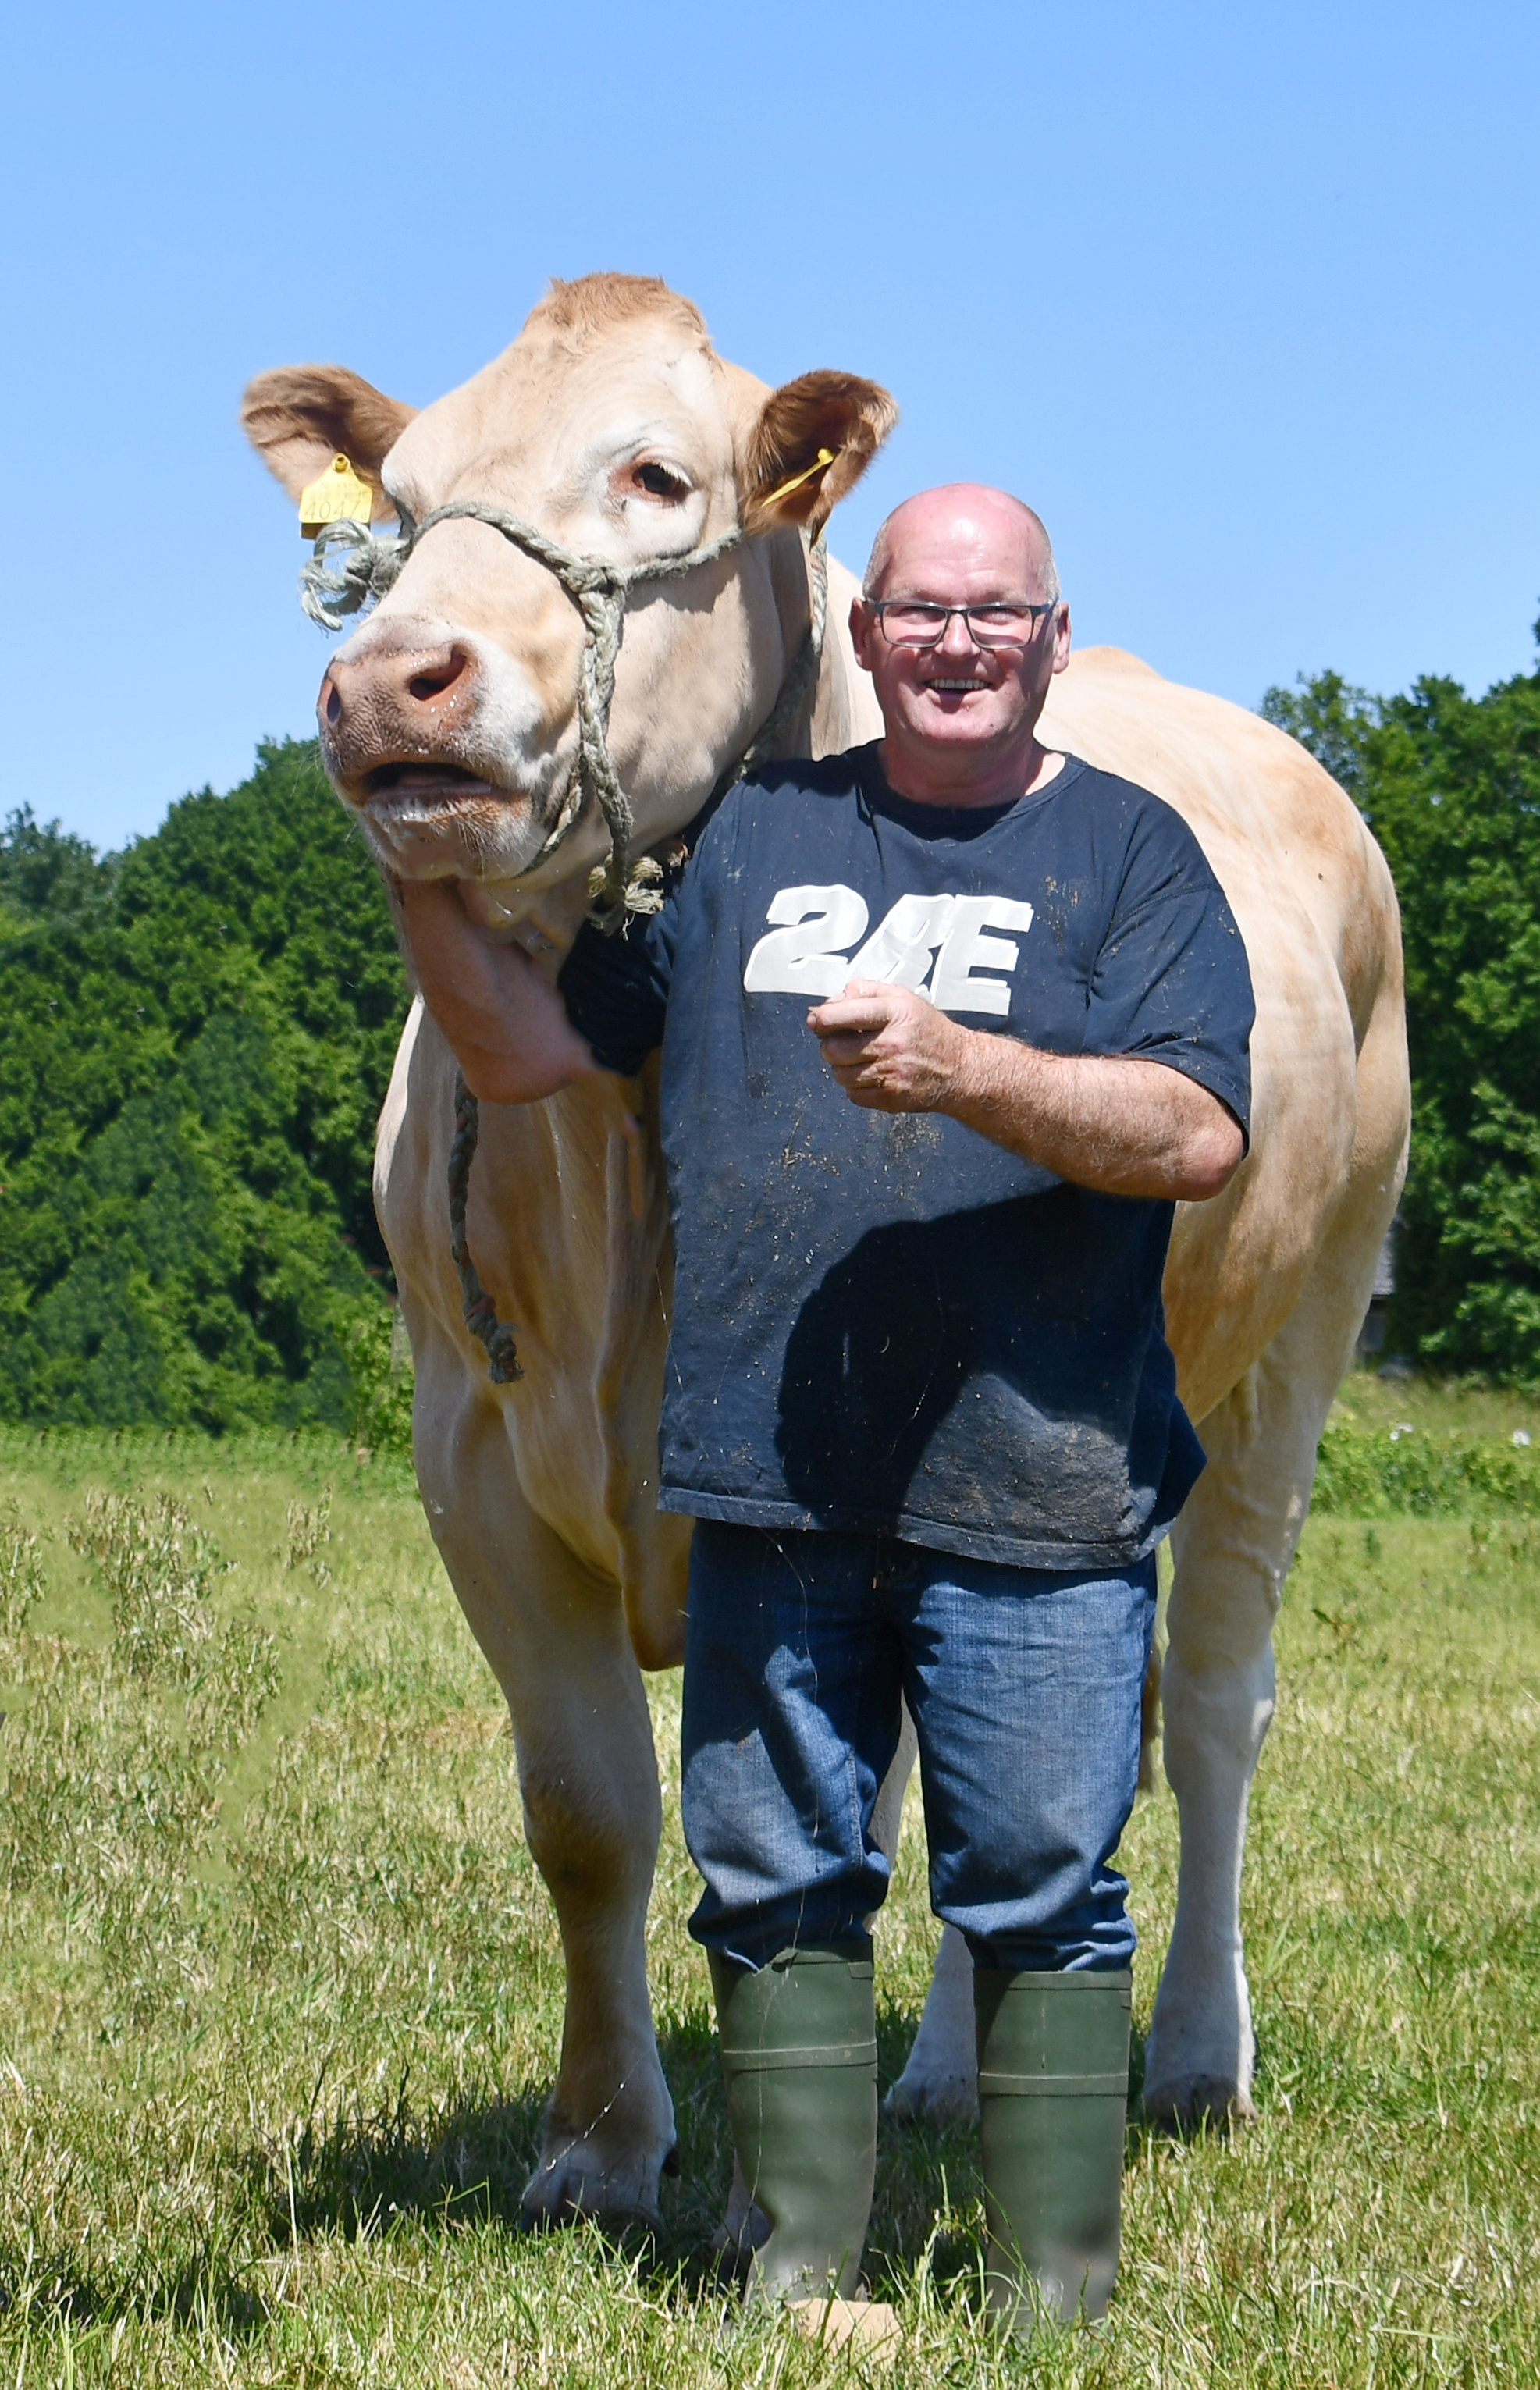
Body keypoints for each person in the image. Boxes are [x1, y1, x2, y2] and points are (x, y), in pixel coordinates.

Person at [400, 485, 1253, 2334]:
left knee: (1036, 1879)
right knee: (777, 1880)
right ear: (865, 639)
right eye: (923, 613)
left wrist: (972, 1072)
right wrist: (416, 859)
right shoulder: (749, 844)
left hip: (1038, 1477)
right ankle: (795, 2265)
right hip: (771, 1479)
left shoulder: (1128, 856)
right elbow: (530, 1047)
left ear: (1047, 634)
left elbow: (1193, 1129)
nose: (955, 642)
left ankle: (1056, 2290)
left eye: (994, 615)